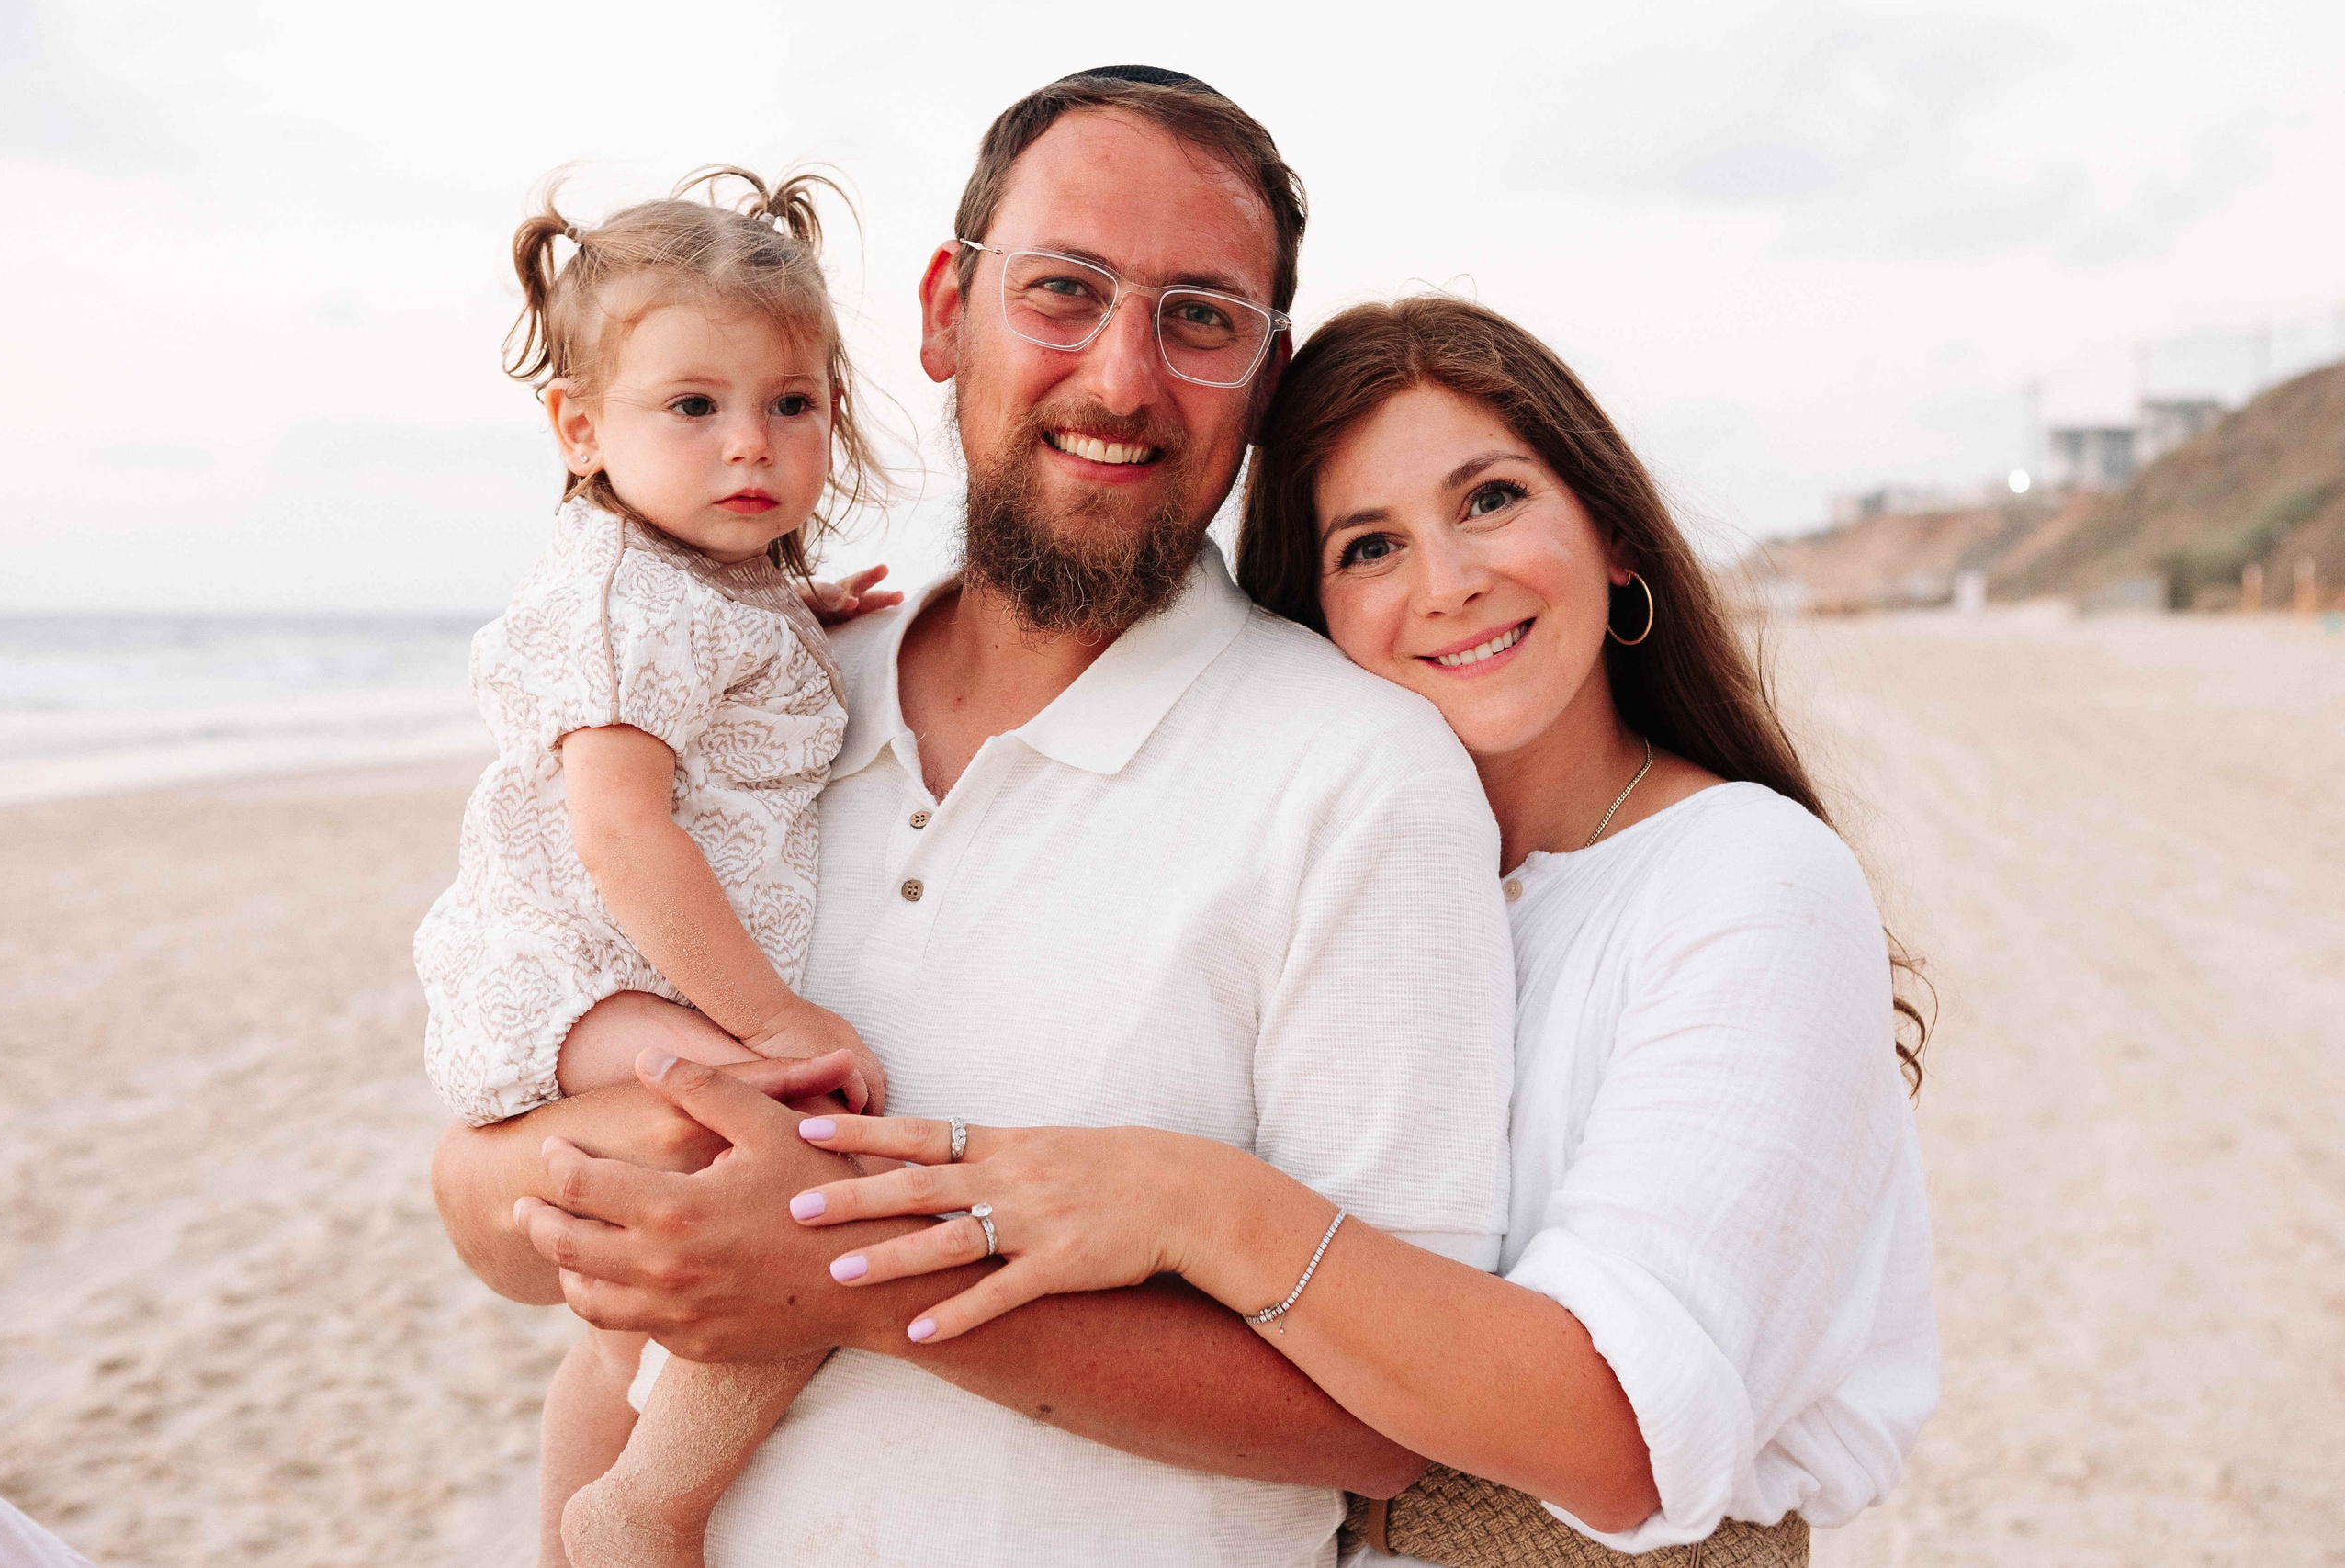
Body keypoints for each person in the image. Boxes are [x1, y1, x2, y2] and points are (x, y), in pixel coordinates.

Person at [433, 69, 1516, 1566]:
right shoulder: (768, 705)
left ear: (1263, 384)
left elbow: (1398, 1409)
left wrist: (839, 1278)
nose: (1124, 377)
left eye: (1202, 317)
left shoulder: (1360, 777)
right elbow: (480, 1203)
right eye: (1063, 290)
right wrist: (628, 1190)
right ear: (946, 314)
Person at [779, 298, 1941, 1564]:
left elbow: (1618, 1429)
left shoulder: (1746, 881)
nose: (1447, 585)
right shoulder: (1340, 864)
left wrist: (1194, 1205)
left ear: (1611, 534)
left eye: (1490, 501)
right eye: (1370, 547)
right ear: (1313, 611)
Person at [412, 166, 901, 1568]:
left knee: (623, 1307)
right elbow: (623, 832)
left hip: (599, 963)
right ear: (581, 428)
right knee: (780, 1154)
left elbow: (701, 666)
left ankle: (583, 1534)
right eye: (692, 407)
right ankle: (650, 1507)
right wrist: (774, 1023)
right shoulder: (629, 606)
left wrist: (798, 612)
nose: (749, 444)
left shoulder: (690, 579)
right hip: (575, 970)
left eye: (790, 404)